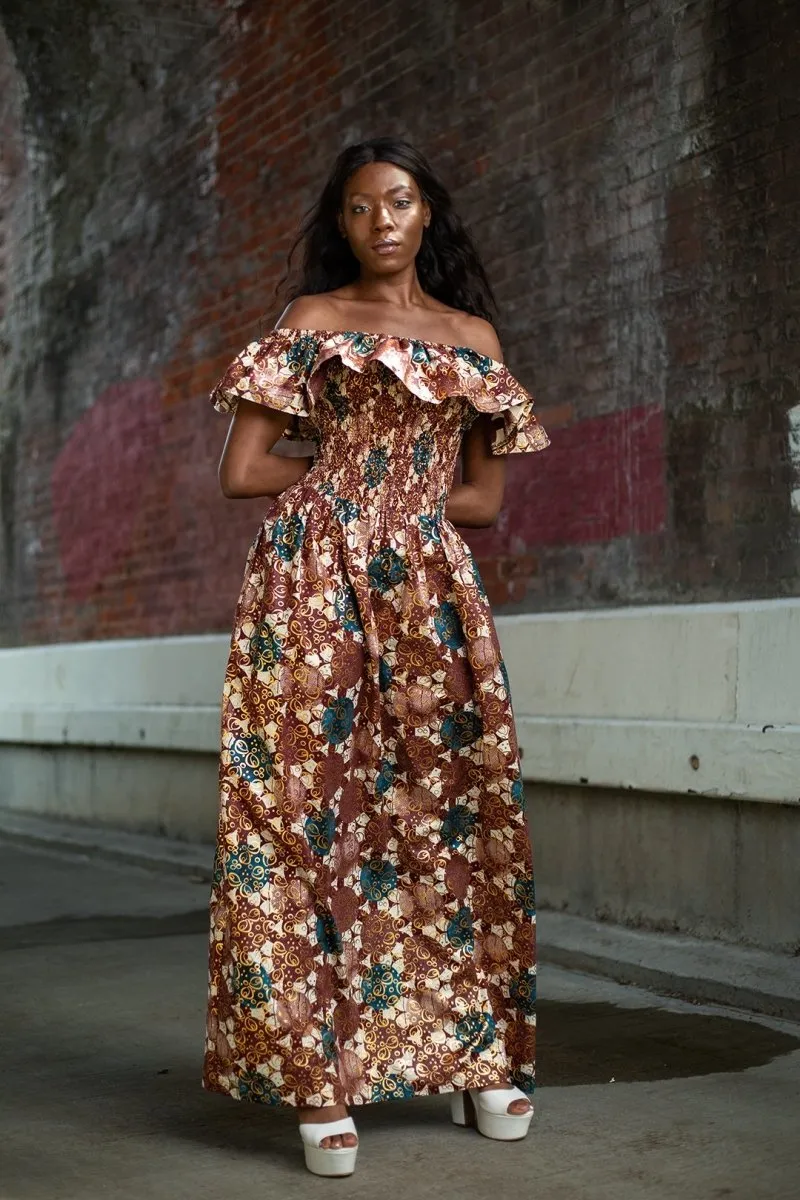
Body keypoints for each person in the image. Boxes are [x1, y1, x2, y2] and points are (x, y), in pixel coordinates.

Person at [203, 137, 549, 1177]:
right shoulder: (312, 323)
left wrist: (398, 503)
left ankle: (472, 1050)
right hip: (311, 581)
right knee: (310, 811)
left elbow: (482, 499)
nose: (382, 221)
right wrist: (351, 475)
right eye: (359, 208)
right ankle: (316, 1077)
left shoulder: (471, 338)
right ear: (341, 224)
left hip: (428, 591)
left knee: (450, 806)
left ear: (427, 213)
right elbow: (243, 469)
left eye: (398, 201)